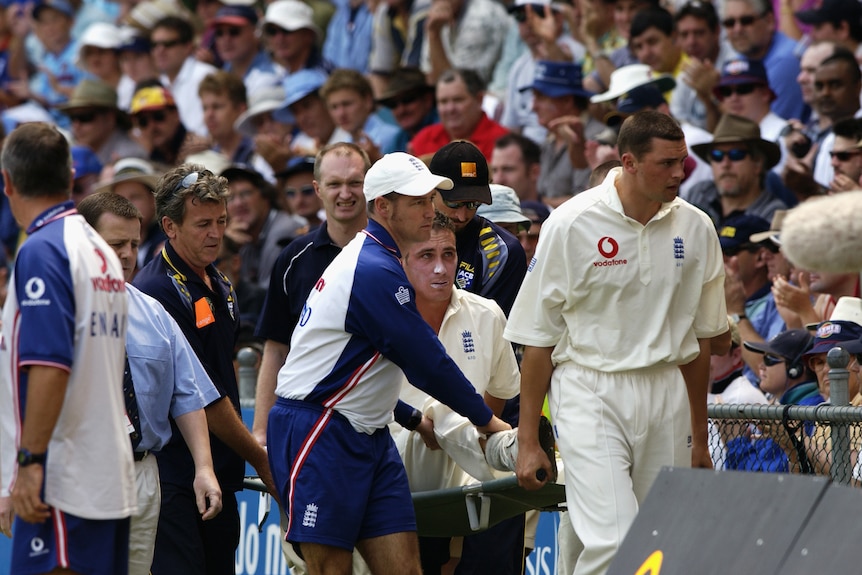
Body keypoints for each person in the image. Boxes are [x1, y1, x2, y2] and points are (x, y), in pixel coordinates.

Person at [505, 111, 730, 574]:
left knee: (657, 544)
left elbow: (703, 339)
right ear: (628, 162)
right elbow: (537, 340)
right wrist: (529, 440)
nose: (679, 174)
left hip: (667, 391)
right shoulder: (570, 224)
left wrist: (700, 437)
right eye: (666, 163)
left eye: (682, 162)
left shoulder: (698, 227)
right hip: (589, 390)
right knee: (615, 540)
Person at [266, 151, 510, 574]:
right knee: (332, 571)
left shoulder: (380, 259)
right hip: (320, 432)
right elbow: (426, 363)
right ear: (383, 207)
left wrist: (411, 418)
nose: (430, 209)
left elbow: (355, 369)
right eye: (417, 202)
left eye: (431, 198)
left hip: (365, 430)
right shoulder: (374, 268)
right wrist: (489, 423)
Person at [0, 122, 136, 573]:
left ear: (8, 182)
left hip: (63, 477)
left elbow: (50, 365)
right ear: (70, 173)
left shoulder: (43, 251)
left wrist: (30, 463)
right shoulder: (98, 249)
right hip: (105, 472)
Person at [132, 165, 275, 575]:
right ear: (169, 227)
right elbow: (203, 396)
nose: (216, 234)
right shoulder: (157, 291)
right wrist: (260, 459)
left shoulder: (219, 280)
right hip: (175, 478)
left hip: (218, 474)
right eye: (203, 224)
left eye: (222, 221)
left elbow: (223, 374)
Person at [77, 192, 224, 575]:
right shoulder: (57, 310)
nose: (127, 255)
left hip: (144, 471)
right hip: (80, 468)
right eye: (114, 244)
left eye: (133, 244)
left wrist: (204, 468)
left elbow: (188, 394)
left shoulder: (152, 312)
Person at [395, 212, 522, 573]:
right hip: (396, 461)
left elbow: (500, 389)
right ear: (401, 261)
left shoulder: (487, 314)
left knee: (506, 484)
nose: (440, 268)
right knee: (437, 415)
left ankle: (510, 453)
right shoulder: (382, 314)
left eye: (448, 255)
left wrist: (467, 434)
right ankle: (506, 448)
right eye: (426, 256)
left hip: (464, 467)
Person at [252, 142, 370, 448]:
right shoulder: (293, 260)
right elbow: (276, 349)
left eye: (354, 182)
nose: (345, 193)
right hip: (312, 428)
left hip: (381, 421)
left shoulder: (395, 254)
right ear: (318, 189)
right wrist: (261, 434)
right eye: (335, 184)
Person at [429, 140, 528, 315]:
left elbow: (491, 330)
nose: (462, 215)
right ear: (431, 192)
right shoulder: (401, 236)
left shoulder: (502, 251)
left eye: (473, 204)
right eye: (453, 203)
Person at [222, 163, 306, 288]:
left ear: (265, 195)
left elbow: (268, 298)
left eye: (245, 193)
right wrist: (227, 249)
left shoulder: (284, 230)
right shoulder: (241, 237)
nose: (239, 203)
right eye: (230, 198)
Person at [409, 68, 509, 162]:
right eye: (443, 102)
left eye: (458, 100)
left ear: (479, 99)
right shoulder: (423, 139)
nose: (450, 109)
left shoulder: (503, 142)